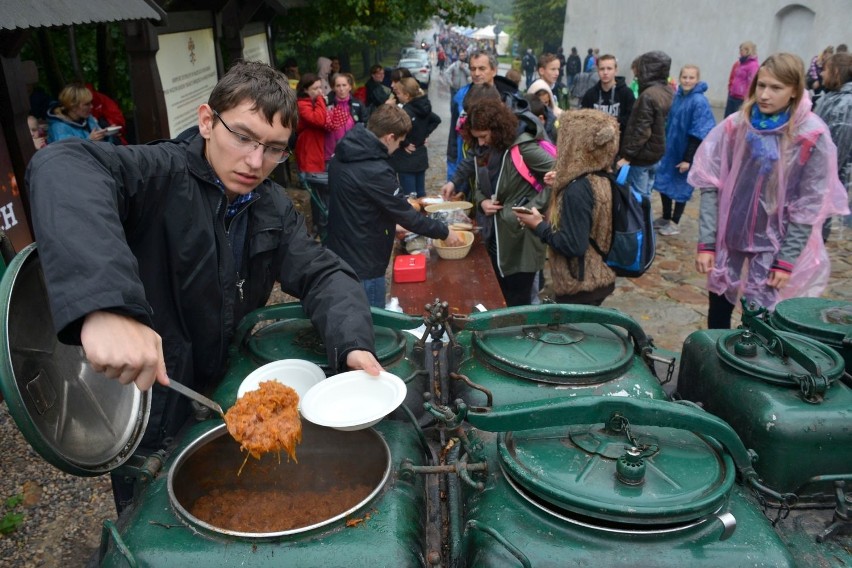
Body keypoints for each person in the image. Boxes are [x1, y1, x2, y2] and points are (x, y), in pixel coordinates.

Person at [26, 61, 382, 510]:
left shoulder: (270, 205)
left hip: (216, 399)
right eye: (243, 137)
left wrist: (352, 343)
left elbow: (323, 272)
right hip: (146, 410)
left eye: (274, 149)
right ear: (207, 121)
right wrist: (107, 306)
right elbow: (62, 165)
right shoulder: (158, 175)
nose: (255, 162)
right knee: (150, 522)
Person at [688, 53, 849, 329]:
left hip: (775, 242)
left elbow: (809, 204)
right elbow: (710, 183)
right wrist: (708, 242)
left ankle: (748, 363)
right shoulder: (736, 125)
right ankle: (715, 357)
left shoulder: (810, 135)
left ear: (795, 91)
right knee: (719, 304)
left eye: (776, 88)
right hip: (732, 233)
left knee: (759, 316)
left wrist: (786, 260)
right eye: (760, 85)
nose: (764, 94)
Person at [325, 104, 462, 308]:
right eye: (399, 141)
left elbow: (357, 203)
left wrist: (388, 224)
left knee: (350, 318)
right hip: (364, 261)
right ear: (389, 137)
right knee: (371, 323)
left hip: (340, 250)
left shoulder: (346, 150)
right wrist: (445, 232)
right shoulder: (375, 168)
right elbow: (409, 217)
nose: (398, 147)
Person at [515, 109, 619, 305]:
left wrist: (538, 225)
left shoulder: (578, 189)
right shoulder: (602, 177)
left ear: (575, 145)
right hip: (601, 274)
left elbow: (573, 245)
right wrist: (562, 182)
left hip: (581, 285)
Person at [459, 99, 556, 306]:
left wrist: (530, 208)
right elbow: (479, 184)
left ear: (497, 129)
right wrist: (482, 201)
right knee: (500, 297)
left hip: (521, 240)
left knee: (518, 302)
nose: (482, 142)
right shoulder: (487, 149)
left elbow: (560, 176)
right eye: (477, 138)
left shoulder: (524, 148)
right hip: (495, 236)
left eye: (484, 136)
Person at [653, 64, 716, 236]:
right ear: (679, 78)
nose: (687, 81)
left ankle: (675, 221)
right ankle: (666, 217)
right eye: (684, 77)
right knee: (663, 182)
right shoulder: (678, 97)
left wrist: (688, 158)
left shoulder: (699, 101)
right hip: (671, 149)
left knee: (681, 187)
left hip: (686, 151)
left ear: (697, 80)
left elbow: (699, 131)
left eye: (691, 78)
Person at [616, 51, 674, 198]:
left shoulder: (648, 95)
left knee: (638, 199)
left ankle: (640, 221)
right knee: (646, 194)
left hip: (641, 158)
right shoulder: (667, 91)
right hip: (655, 155)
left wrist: (627, 156)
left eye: (638, 73)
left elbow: (641, 130)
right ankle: (646, 221)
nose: (636, 77)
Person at [814, 52, 852, 232]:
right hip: (817, 177)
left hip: (824, 180)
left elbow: (837, 151)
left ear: (836, 72)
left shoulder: (845, 104)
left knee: (818, 226)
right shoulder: (834, 97)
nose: (822, 74)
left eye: (826, 69)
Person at [388, 77, 441, 198]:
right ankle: (422, 214)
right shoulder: (424, 106)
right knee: (421, 193)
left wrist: (404, 143)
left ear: (406, 95)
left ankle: (411, 216)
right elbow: (436, 120)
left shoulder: (406, 110)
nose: (397, 96)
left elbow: (396, 130)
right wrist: (424, 134)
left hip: (406, 158)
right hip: (420, 153)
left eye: (398, 93)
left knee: (409, 195)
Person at [295, 73, 330, 237]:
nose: (319, 91)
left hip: (319, 153)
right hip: (310, 155)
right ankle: (321, 228)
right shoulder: (302, 105)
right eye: (315, 88)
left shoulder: (313, 102)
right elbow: (318, 119)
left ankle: (322, 225)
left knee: (321, 194)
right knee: (318, 195)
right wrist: (322, 101)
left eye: (320, 87)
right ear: (305, 90)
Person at [580, 54, 635, 147]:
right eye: (602, 69)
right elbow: (583, 120)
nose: (605, 72)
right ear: (598, 70)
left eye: (609, 69)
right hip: (595, 147)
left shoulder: (626, 93)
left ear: (616, 71)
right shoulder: (590, 94)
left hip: (619, 147)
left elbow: (632, 119)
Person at [46, 82, 110, 143]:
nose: (91, 106)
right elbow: (68, 152)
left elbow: (104, 144)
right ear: (73, 107)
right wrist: (89, 141)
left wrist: (107, 134)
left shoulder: (88, 118)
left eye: (91, 102)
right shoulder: (59, 128)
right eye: (87, 104)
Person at [325, 72, 365, 161]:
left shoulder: (358, 105)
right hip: (332, 154)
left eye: (344, 85)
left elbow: (364, 129)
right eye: (338, 86)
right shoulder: (326, 105)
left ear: (350, 87)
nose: (341, 89)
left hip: (353, 153)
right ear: (333, 88)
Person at [725, 41, 759, 117]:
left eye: (741, 50)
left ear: (747, 50)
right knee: (728, 119)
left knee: (736, 119)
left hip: (741, 98)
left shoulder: (753, 65)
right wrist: (730, 89)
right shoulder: (740, 63)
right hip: (733, 95)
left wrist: (747, 97)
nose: (739, 52)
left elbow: (752, 82)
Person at [527, 53, 563, 119]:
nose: (557, 73)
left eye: (558, 69)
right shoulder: (536, 89)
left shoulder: (562, 88)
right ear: (541, 71)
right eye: (553, 69)